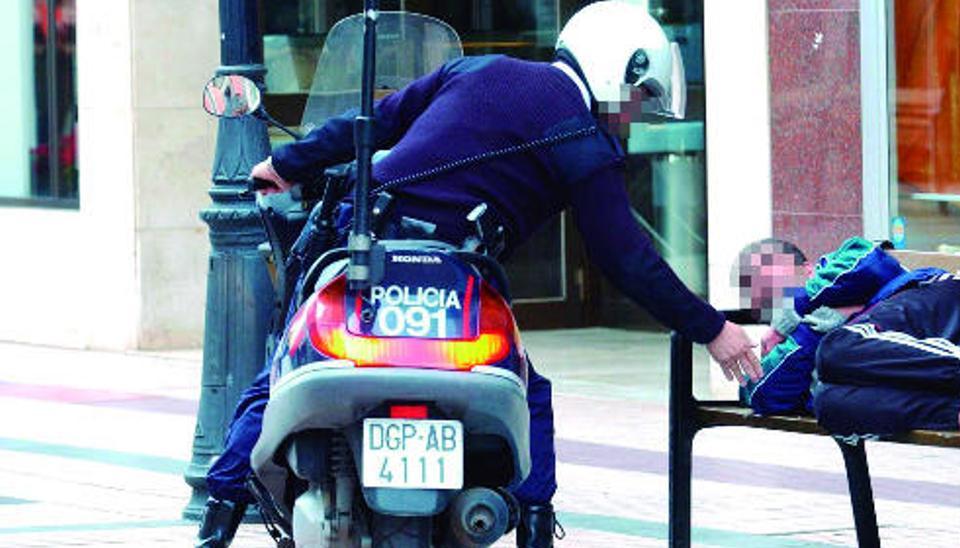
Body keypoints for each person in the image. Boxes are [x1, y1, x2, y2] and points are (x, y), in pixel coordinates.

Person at [195, 3, 762, 547]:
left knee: (287, 364)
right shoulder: (586, 146)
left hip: (367, 246)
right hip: (457, 272)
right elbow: (629, 261)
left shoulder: (477, 70)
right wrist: (712, 329)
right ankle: (536, 527)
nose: (632, 118)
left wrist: (284, 164)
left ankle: (218, 517)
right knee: (526, 391)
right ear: (619, 68)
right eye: (637, 99)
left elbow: (375, 120)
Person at [734, 236, 960, 436]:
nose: (775, 298)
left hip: (952, 315)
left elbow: (871, 264)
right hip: (929, 378)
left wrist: (796, 310)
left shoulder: (840, 262)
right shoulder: (790, 348)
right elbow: (768, 395)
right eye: (765, 299)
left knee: (838, 348)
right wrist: (808, 327)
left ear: (808, 269)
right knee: (829, 402)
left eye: (776, 281)